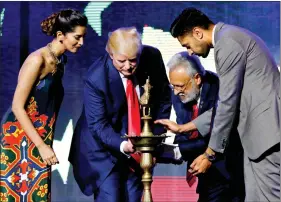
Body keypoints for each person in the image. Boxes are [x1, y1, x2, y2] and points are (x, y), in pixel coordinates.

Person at [169, 7, 280, 201]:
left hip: (266, 137)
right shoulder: (230, 38)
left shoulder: (227, 43)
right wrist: (185, 127)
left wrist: (210, 154)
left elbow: (227, 103)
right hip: (258, 140)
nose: (190, 52)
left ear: (197, 32)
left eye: (188, 45)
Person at [69, 27, 171, 202]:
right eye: (121, 61)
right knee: (112, 197)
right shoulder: (96, 78)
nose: (128, 66)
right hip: (104, 150)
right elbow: (98, 125)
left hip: (138, 146)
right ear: (110, 54)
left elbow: (163, 101)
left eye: (133, 60)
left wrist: (152, 144)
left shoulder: (152, 58)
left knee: (134, 197)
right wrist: (124, 145)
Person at [0, 9, 87, 202]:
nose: (81, 43)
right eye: (77, 37)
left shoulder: (59, 61)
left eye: (83, 37)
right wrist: (41, 146)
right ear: (60, 35)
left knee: (40, 194)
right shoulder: (36, 60)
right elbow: (17, 106)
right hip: (19, 136)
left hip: (40, 136)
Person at [155, 52, 245, 202]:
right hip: (204, 172)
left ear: (196, 78)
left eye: (179, 86)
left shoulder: (220, 88)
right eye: (173, 86)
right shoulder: (179, 94)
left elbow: (218, 133)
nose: (176, 91)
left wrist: (178, 151)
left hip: (228, 169)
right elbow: (184, 133)